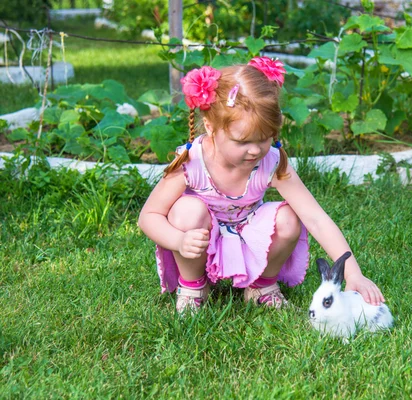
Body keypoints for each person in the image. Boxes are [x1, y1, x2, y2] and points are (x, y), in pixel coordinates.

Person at [138, 57, 386, 314]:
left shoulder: (271, 161)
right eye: (242, 141)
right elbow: (148, 216)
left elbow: (315, 218)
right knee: (186, 210)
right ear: (210, 127)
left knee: (290, 218)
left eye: (265, 138)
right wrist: (179, 240)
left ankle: (261, 285)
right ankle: (193, 287)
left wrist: (353, 273)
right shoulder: (192, 161)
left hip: (250, 240)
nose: (255, 150)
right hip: (200, 241)